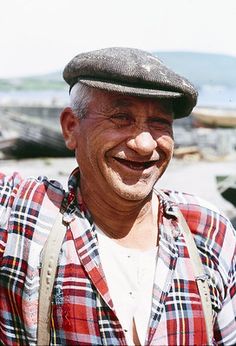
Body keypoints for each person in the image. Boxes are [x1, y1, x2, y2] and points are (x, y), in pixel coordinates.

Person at [0, 47, 235, 346]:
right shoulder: (26, 218)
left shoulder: (207, 231)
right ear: (71, 128)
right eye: (121, 117)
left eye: (160, 123)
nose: (145, 143)